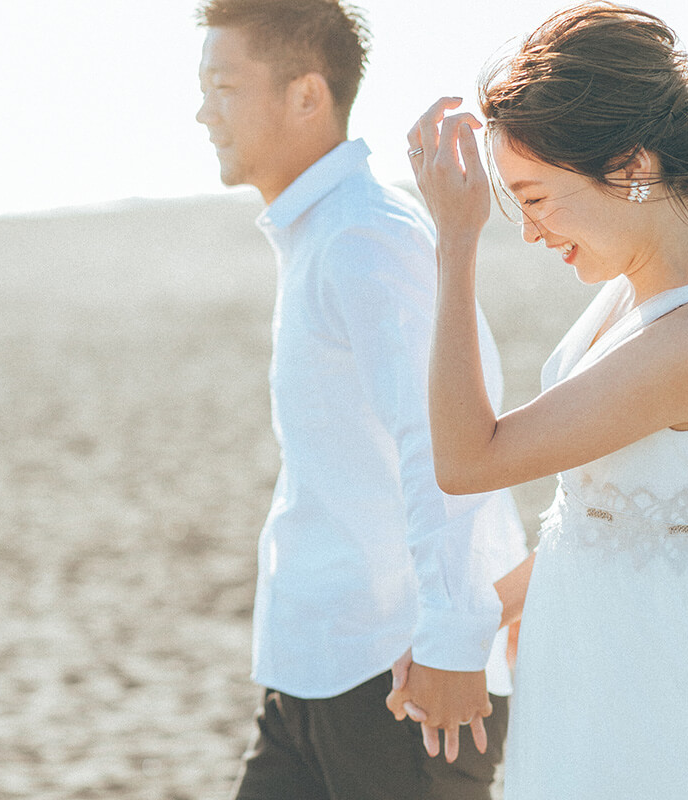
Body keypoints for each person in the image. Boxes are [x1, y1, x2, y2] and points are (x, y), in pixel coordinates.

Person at [397, 3, 688, 796]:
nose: (527, 231)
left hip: (660, 675)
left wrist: (454, 244)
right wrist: (478, 616)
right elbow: (610, 515)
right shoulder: (637, 295)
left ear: (630, 168)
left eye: (535, 197)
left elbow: (466, 460)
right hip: (594, 654)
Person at [193, 1, 527, 798]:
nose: (203, 112)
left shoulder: (365, 239)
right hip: (313, 676)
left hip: (404, 684)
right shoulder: (321, 231)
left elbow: (443, 442)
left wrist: (452, 641)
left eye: (224, 87)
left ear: (307, 96)